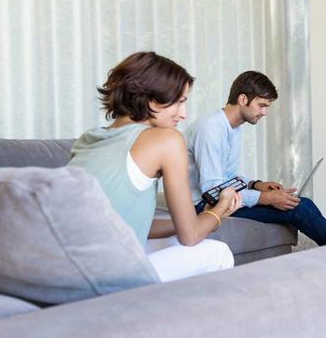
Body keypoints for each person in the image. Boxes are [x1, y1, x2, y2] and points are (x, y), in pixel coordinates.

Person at [69, 51, 243, 282]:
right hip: (104, 275)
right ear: (152, 100)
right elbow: (190, 237)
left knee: (172, 243)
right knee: (217, 252)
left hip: (70, 266)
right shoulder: (166, 139)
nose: (183, 114)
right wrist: (219, 210)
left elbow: (129, 224)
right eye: (179, 102)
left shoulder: (88, 140)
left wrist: (188, 222)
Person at [186, 71, 326, 246]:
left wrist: (257, 185)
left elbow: (227, 175)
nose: (265, 112)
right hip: (203, 206)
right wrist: (267, 198)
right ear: (243, 100)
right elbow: (212, 191)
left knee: (304, 203)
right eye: (261, 105)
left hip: (224, 199)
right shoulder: (210, 129)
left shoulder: (233, 128)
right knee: (299, 209)